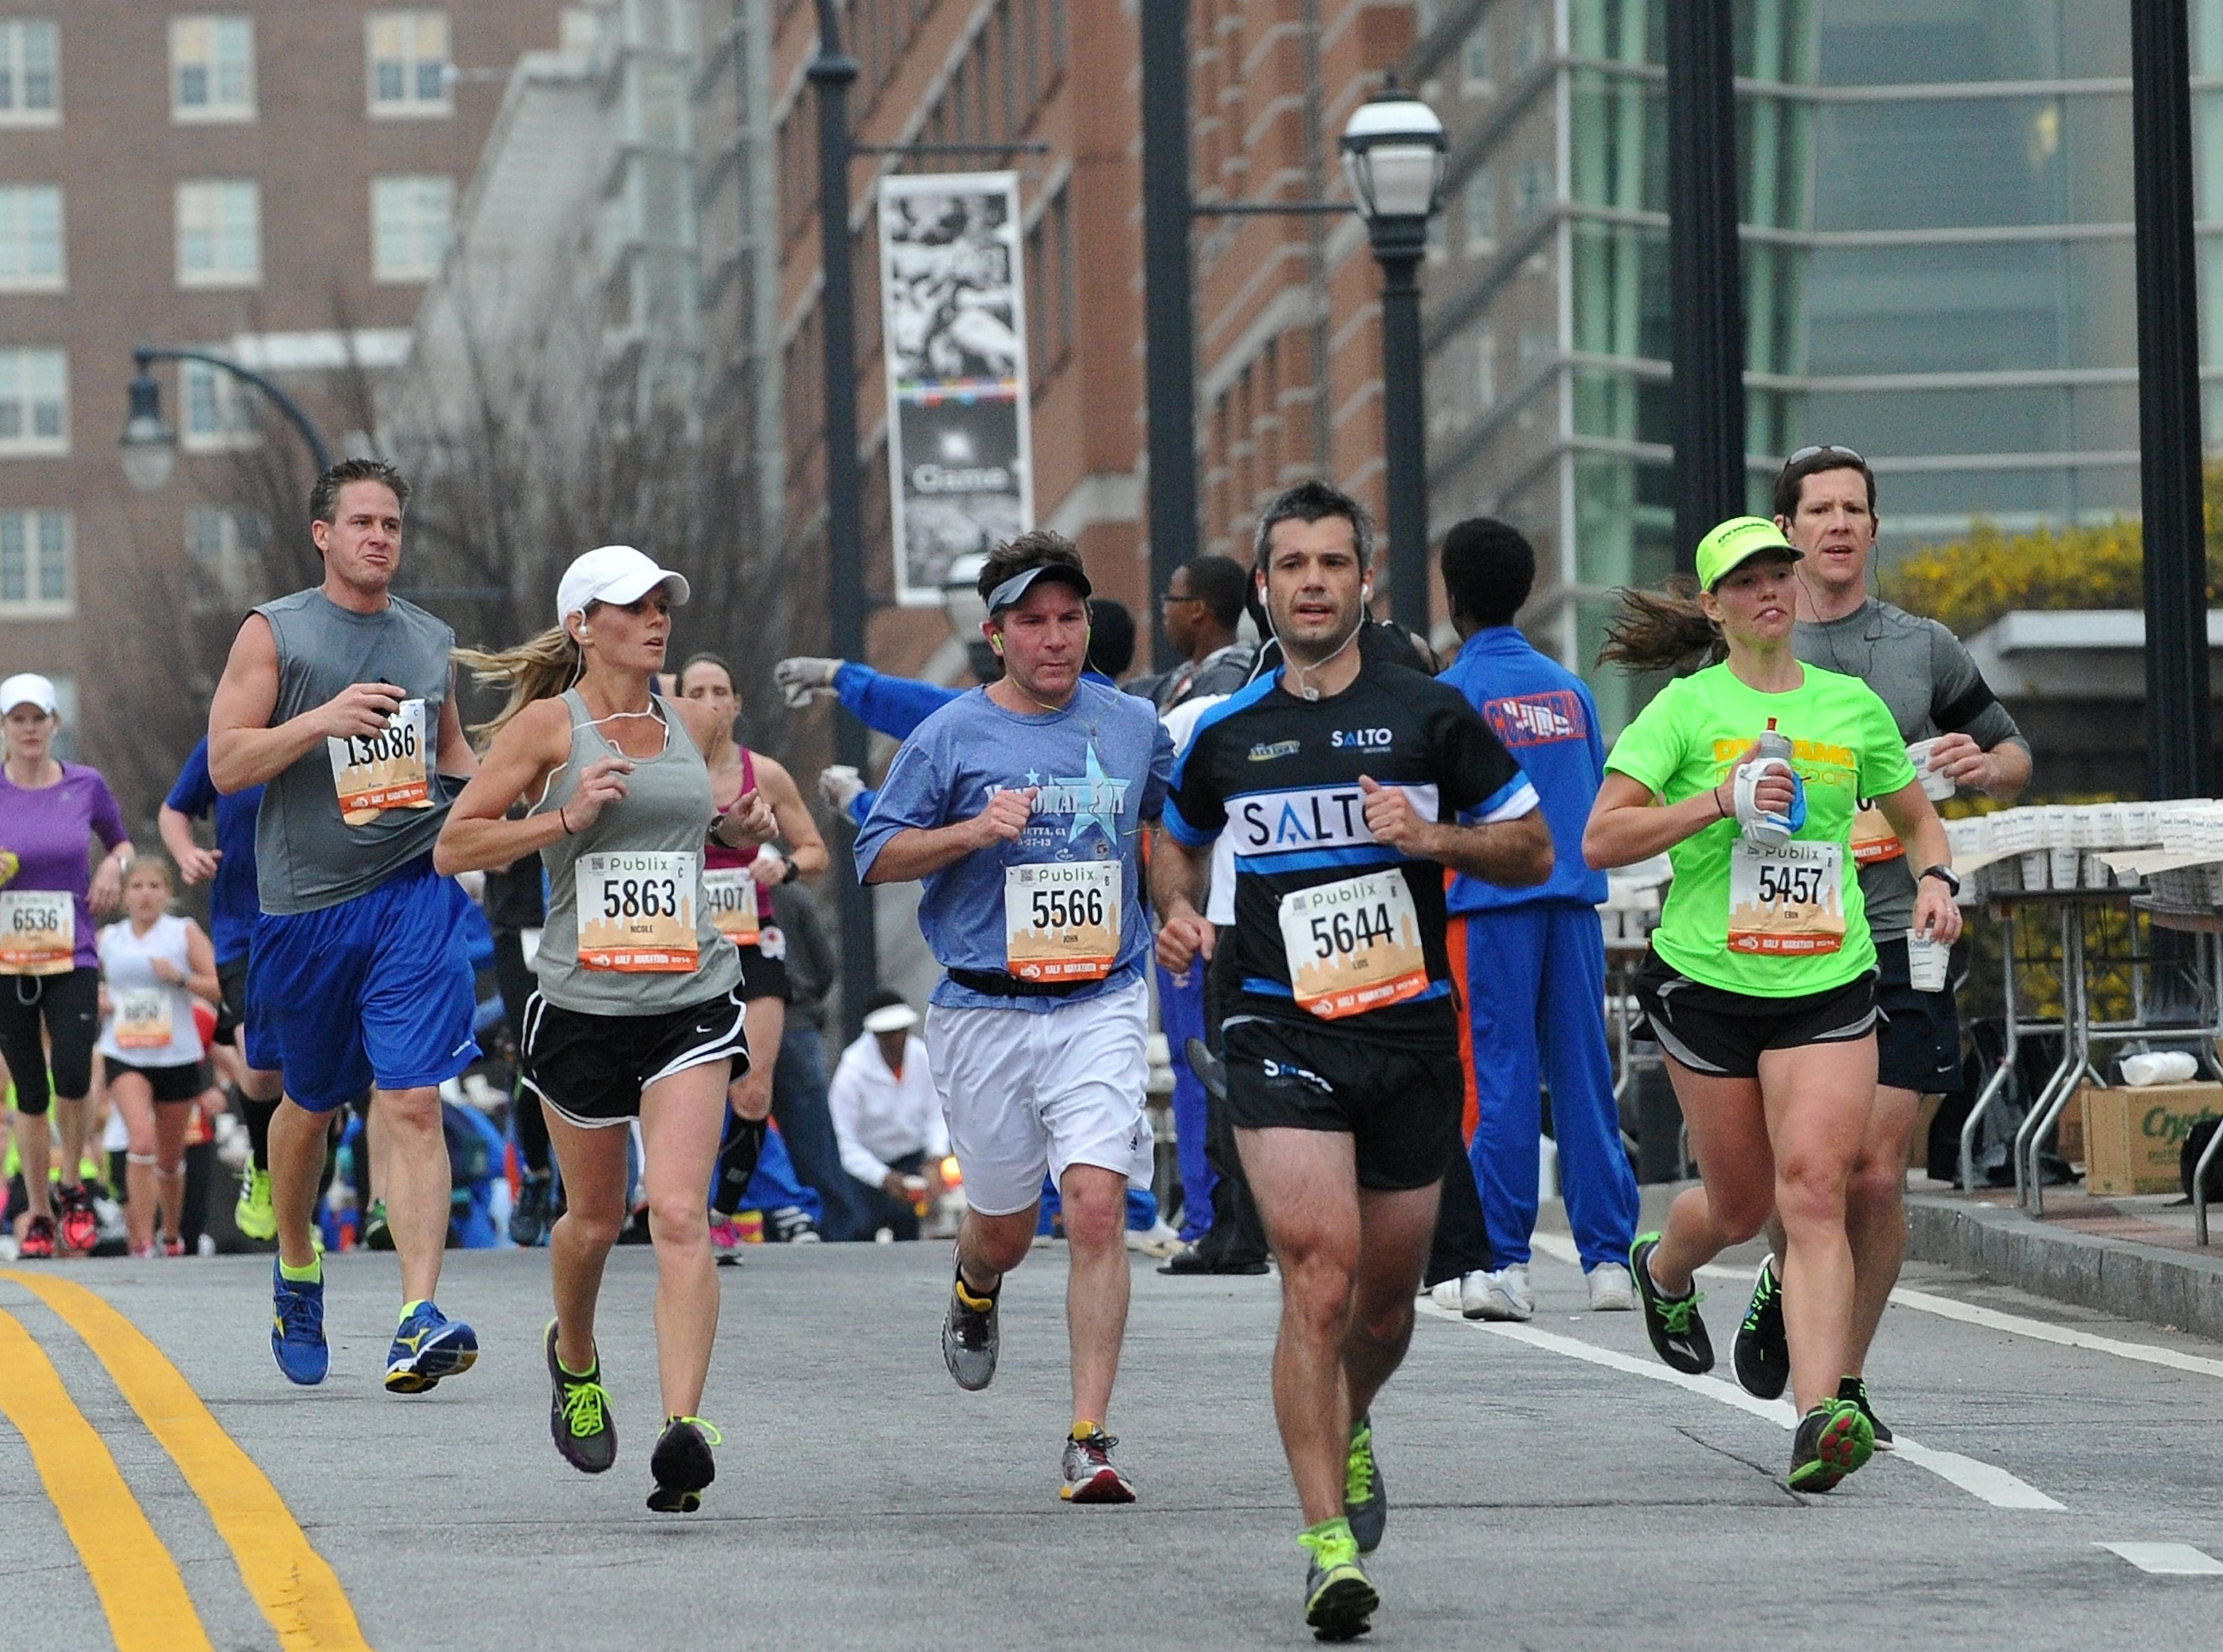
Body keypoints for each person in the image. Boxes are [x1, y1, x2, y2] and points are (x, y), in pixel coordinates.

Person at [1150, 480, 1550, 1640]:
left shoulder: (1430, 715)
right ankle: (1326, 1543)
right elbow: (1170, 844)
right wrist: (1176, 912)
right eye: (1292, 564)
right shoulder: (1226, 733)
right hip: (1276, 1021)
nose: (1314, 581)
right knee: (1317, 1273)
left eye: (1334, 562)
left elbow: (1530, 845)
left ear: (1364, 581)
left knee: (1383, 1305)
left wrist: (1434, 838)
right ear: (1264, 589)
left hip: (1408, 1030)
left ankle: (1352, 1414)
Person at [1583, 514, 1962, 1493]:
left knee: (1813, 1190)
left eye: (1778, 574)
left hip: (1826, 981)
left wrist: (1936, 882)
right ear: (1714, 605)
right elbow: (1602, 839)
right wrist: (1715, 799)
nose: (1770, 590)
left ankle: (1818, 1412)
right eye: (1747, 580)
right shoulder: (1681, 709)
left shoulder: (1850, 708)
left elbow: (1921, 819)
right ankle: (1666, 1270)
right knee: (1744, 1204)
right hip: (1707, 986)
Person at [439, 544, 773, 1510]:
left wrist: (738, 830)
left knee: (675, 1210)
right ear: (585, 622)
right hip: (582, 1007)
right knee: (590, 1219)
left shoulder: (692, 718)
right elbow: (454, 843)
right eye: (635, 604)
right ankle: (575, 1356)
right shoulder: (553, 725)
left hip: (692, 997)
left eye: (664, 600)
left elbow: (689, 830)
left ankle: (684, 1428)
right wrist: (562, 817)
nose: (658, 616)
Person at [1710, 444, 2031, 1436]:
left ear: (1875, 529)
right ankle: (1792, 1267)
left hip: (1900, 931)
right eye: (1819, 510)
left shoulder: (1920, 646)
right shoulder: (1746, 650)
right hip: (1784, 939)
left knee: (1877, 1171)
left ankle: (1841, 1382)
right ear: (1788, 532)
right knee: (1798, 1175)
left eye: (1856, 508)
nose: (1839, 524)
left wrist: (1985, 762)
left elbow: (2014, 753)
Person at [855, 530, 1173, 1506]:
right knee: (1002, 1225)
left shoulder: (1131, 725)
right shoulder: (949, 736)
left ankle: (1089, 1435)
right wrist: (971, 830)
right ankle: (975, 1283)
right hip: (984, 1012)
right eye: (1033, 621)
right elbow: (877, 851)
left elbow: (1166, 828)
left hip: (1101, 1000)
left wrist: (1180, 902)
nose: (1056, 637)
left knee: (1094, 1203)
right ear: (997, 635)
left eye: (1070, 617)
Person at [207, 457, 483, 1391]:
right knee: (310, 1105)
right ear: (323, 534)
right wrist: (320, 719)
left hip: (411, 894)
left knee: (411, 1098)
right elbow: (228, 763)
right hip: (306, 911)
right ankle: (296, 1262)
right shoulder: (274, 633)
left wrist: (523, 808)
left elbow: (454, 761)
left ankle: (418, 1313)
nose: (380, 537)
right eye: (362, 521)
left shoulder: (428, 641)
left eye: (393, 524)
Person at [1433, 519, 1639, 1319]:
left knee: (1499, 1080)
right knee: (1586, 1080)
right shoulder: (1571, 690)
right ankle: (1608, 1261)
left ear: (1453, 596)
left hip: (1488, 911)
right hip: (1574, 907)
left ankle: (1503, 1262)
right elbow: (1588, 799)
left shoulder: (1451, 694)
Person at [673, 653, 830, 1234]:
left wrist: (784, 868)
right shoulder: (660, 768)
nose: (711, 702)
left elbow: (816, 850)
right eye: (697, 691)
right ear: (678, 701)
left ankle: (722, 1213)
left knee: (753, 1088)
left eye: (721, 690)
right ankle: (685, 1208)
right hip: (679, 948)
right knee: (690, 1089)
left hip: (751, 942)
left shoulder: (762, 773)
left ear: (737, 703)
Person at [0, 671, 132, 1258]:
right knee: (29, 1089)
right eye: (18, 719)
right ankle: (37, 1212)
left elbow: (123, 844)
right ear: (5, 728)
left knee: (74, 1073)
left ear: (56, 723)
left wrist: (112, 868)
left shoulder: (86, 784)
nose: (30, 729)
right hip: (7, 959)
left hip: (72, 953)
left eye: (39, 717)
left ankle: (74, 1186)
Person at [159, 736, 281, 1242]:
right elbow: (173, 812)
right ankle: (265, 1167)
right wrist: (187, 855)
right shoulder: (226, 739)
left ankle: (302, 1192)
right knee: (259, 1068)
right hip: (244, 928)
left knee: (317, 1073)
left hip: (323, 920)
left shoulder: (333, 725)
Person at [95, 857, 221, 1257]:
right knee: (141, 1138)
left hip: (176, 1055)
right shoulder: (109, 939)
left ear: (168, 893)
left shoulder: (183, 934)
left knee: (169, 1157)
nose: (145, 894)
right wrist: (98, 1000)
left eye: (154, 886)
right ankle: (143, 1239)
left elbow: (220, 987)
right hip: (124, 1052)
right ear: (124, 896)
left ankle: (171, 1235)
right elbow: (83, 986)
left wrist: (182, 978)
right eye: (137, 886)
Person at [768, 874, 871, 1240]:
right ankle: (834, 1226)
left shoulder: (708, 882)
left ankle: (759, 1219)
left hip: (730, 1023)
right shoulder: (789, 891)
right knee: (813, 1135)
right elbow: (825, 964)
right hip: (795, 1021)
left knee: (738, 1135)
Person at [481, 846, 557, 1245]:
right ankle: (538, 1173)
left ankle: (592, 1194)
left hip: (594, 920)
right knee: (537, 1056)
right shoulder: (498, 781)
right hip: (523, 925)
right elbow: (476, 846)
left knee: (596, 1054)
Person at [827, 989, 948, 1240]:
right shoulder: (852, 1072)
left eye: (902, 1031)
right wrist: (883, 1177)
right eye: (888, 1034)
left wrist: (936, 1157)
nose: (897, 1040)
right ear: (875, 1035)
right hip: (865, 1167)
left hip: (911, 1158)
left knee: (909, 1228)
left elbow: (937, 1114)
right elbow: (844, 1143)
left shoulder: (923, 1058)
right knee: (860, 1228)